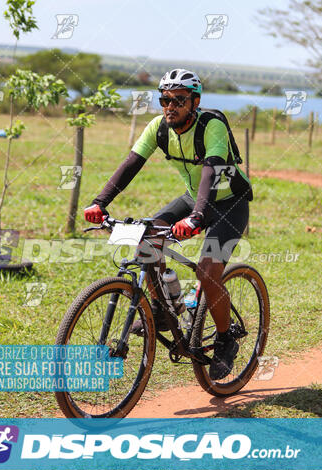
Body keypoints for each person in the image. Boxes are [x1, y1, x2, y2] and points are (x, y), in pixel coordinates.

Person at [84, 69, 252, 380]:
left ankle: (226, 338)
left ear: (195, 101)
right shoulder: (159, 128)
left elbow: (212, 171)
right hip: (194, 198)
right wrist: (99, 202)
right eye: (164, 99)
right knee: (147, 242)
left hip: (230, 203)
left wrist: (197, 217)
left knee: (208, 269)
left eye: (178, 100)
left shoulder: (211, 125)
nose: (169, 106)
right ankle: (162, 309)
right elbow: (131, 163)